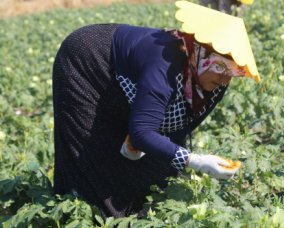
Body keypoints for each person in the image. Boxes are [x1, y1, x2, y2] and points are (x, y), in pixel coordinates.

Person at [52, 0, 259, 218]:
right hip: (88, 62)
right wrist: (194, 160)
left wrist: (152, 143)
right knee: (94, 155)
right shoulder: (164, 67)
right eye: (220, 67)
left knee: (158, 165)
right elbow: (142, 133)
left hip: (131, 81)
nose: (225, 78)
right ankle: (84, 215)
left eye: (234, 71)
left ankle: (142, 215)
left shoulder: (215, 85)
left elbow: (184, 125)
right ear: (200, 56)